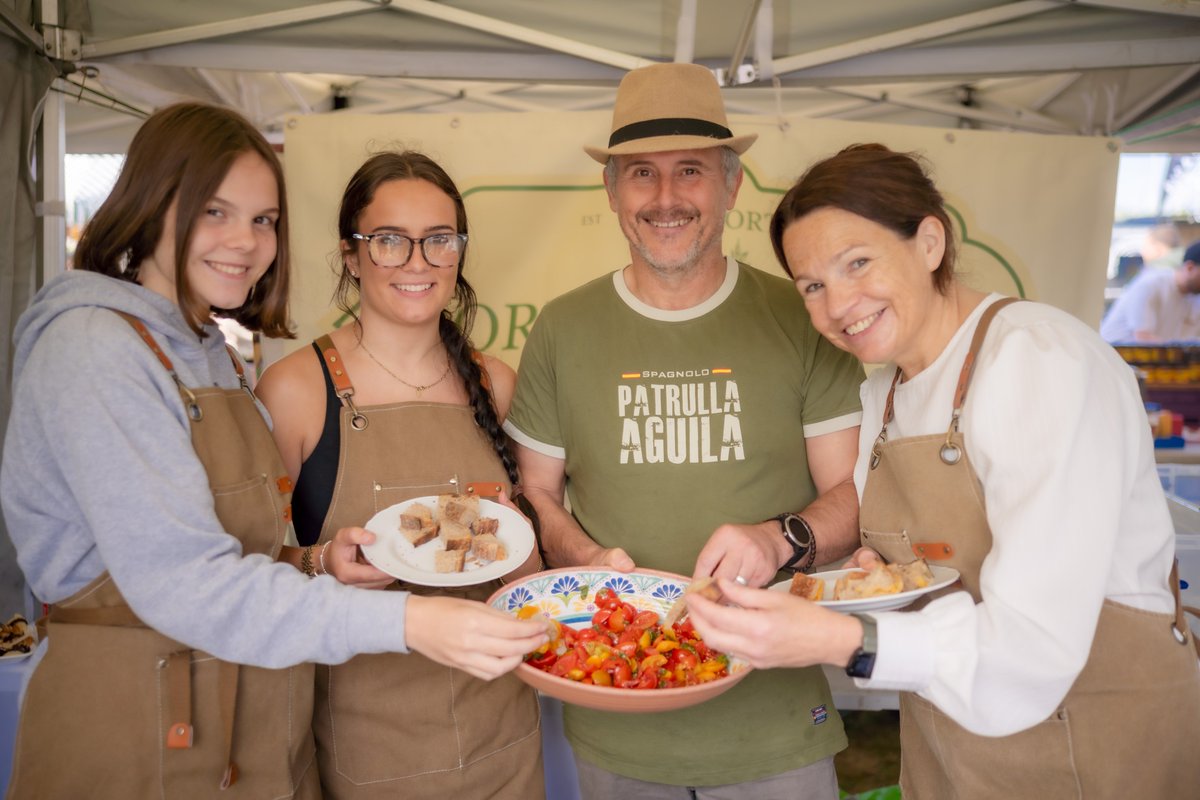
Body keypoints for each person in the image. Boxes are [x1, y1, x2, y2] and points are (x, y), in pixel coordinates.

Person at [0, 104, 548, 799]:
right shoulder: (91, 349)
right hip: (139, 736)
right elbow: (185, 582)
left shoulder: (210, 356)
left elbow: (240, 552)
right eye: (215, 212)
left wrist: (317, 560)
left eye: (264, 220)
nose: (245, 242)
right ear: (148, 205)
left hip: (253, 739)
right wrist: (410, 618)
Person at [686, 143, 1200, 799]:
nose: (837, 304)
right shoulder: (885, 394)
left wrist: (842, 635)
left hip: (1095, 737)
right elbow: (922, 563)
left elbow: (1034, 644)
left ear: (930, 241)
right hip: (952, 741)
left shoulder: (1039, 363)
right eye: (812, 285)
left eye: (858, 263)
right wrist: (865, 577)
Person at [504, 62, 866, 799]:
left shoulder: (801, 317)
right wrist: (585, 555)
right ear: (611, 191)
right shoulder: (561, 329)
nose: (666, 198)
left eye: (691, 171)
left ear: (732, 184)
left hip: (775, 717)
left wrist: (777, 539)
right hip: (614, 711)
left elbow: (853, 495)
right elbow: (535, 494)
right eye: (641, 173)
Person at [255, 151, 545, 799]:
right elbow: (242, 569)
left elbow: (533, 575)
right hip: (367, 747)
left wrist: (518, 536)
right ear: (351, 256)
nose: (418, 263)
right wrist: (323, 559)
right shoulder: (297, 390)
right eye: (390, 241)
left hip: (504, 738)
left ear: (459, 254)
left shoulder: (495, 383)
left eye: (438, 241)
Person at [1101, 238, 1200, 342]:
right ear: (1190, 267)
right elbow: (1143, 339)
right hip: (1115, 355)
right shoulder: (1151, 284)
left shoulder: (1195, 297)